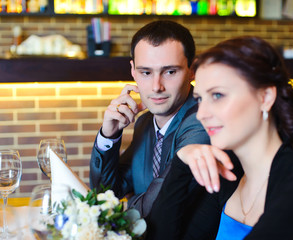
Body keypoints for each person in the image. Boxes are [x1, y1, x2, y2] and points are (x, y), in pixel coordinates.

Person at [147, 36, 293, 240]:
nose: (201, 114)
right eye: (200, 99)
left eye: (218, 95)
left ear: (265, 98)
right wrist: (181, 162)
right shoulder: (228, 174)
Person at [89, 20, 210, 217]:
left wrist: (126, 204)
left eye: (170, 72)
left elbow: (162, 205)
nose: (156, 86)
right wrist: (109, 135)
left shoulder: (204, 121)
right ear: (133, 71)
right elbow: (106, 194)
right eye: (146, 72)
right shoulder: (145, 122)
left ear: (192, 70)